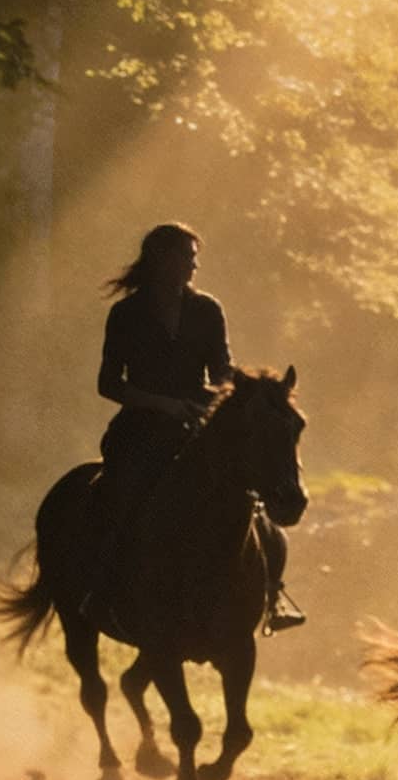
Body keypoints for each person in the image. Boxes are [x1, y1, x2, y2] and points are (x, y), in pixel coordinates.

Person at [91, 222, 301, 633]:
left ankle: (271, 594)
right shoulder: (126, 314)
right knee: (121, 497)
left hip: (195, 424)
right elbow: (109, 384)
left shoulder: (207, 310)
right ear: (161, 259)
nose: (194, 265)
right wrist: (164, 404)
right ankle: (101, 588)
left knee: (249, 496)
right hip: (141, 428)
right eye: (187, 256)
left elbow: (220, 368)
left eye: (194, 257)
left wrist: (239, 391)